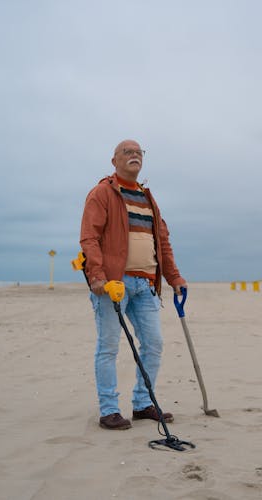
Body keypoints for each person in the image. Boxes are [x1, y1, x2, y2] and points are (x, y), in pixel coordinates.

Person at [79, 139, 187, 430]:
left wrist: (174, 278)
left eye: (139, 153)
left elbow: (162, 242)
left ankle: (142, 404)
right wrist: (97, 276)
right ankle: (109, 410)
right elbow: (89, 237)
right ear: (114, 160)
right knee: (109, 346)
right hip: (113, 284)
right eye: (127, 152)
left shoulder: (148, 199)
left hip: (146, 283)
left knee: (154, 344)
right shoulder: (102, 193)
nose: (134, 155)